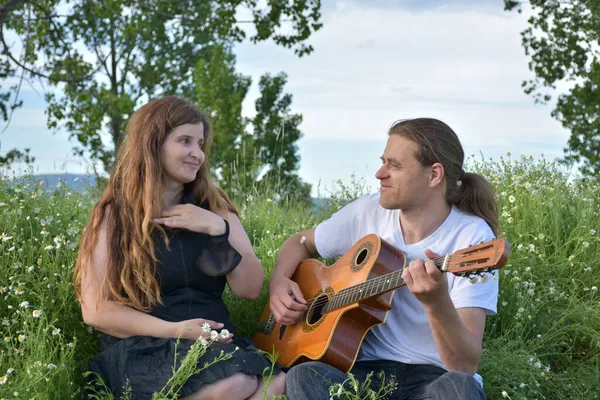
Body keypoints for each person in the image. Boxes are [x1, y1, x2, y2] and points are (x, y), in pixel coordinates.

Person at [269, 118, 500, 400]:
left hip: (432, 377)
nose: (380, 173)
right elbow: (301, 242)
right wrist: (278, 282)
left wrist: (436, 302)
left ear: (434, 175)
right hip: (363, 372)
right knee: (305, 377)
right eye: (383, 162)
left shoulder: (472, 238)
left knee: (459, 389)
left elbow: (463, 365)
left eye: (395, 165)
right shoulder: (367, 212)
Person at [73, 96, 285, 400]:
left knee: (275, 385)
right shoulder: (113, 214)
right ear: (153, 143)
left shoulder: (216, 210)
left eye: (200, 144)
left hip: (213, 342)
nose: (196, 153)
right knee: (237, 386)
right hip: (146, 344)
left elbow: (250, 289)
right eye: (185, 141)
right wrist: (177, 330)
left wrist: (217, 229)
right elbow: (95, 311)